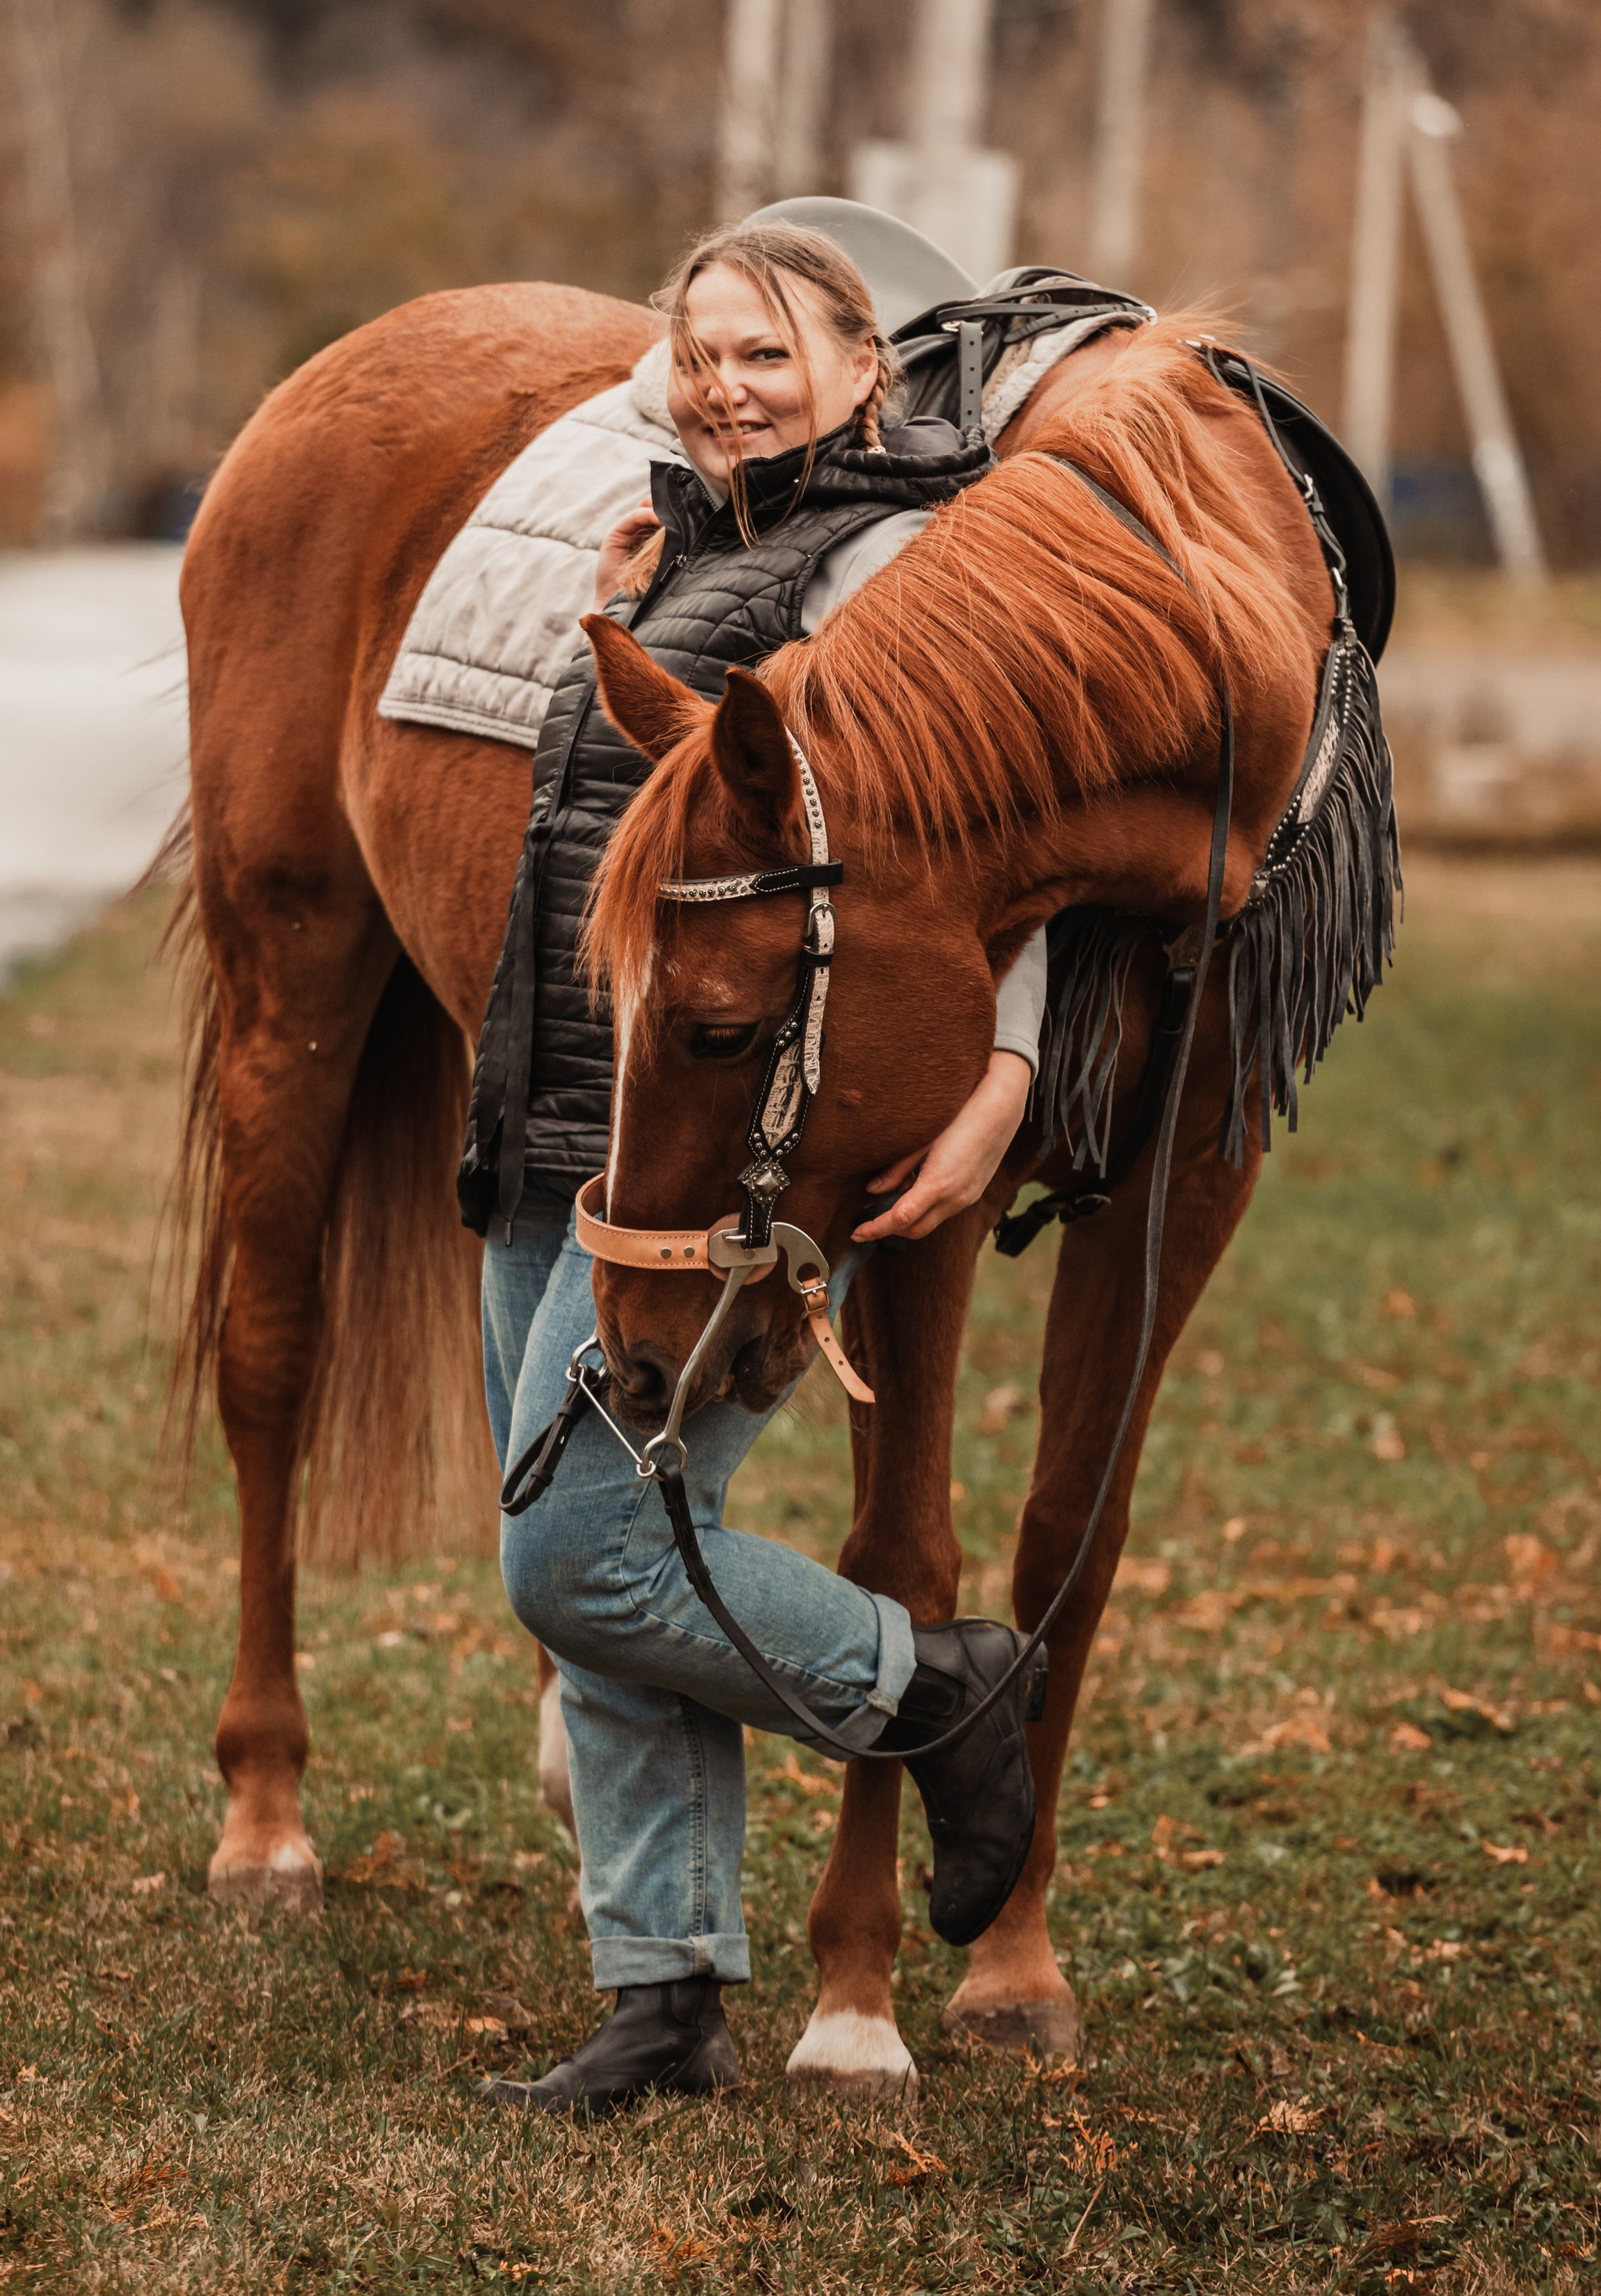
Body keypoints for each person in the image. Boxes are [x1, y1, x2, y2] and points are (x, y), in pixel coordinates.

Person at [459, 222, 1049, 2114]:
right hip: (579, 1107)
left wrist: (1010, 1071)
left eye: (770, 351)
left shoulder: (898, 562)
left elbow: (999, 851)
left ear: (872, 364)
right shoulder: (690, 539)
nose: (724, 382)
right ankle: (665, 1996)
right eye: (700, 349)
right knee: (602, 1560)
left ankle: (937, 1682)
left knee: (579, 1549)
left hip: (721, 1143)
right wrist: (616, 623)